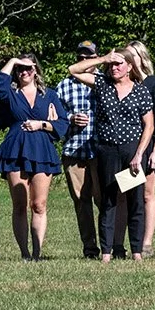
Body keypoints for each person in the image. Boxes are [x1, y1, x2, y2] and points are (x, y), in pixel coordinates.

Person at [68, 47, 155, 261]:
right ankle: (106, 252)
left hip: (132, 151)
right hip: (107, 151)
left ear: (129, 67)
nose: (114, 68)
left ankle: (136, 251)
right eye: (111, 65)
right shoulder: (102, 85)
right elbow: (74, 70)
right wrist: (104, 58)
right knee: (108, 201)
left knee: (135, 200)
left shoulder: (140, 90)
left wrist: (138, 155)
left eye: (119, 64)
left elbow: (149, 125)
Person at [0, 54, 67, 260]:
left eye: (29, 68)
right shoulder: (11, 94)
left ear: (36, 71)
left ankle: (37, 252)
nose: (24, 72)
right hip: (15, 150)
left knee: (39, 204)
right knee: (20, 204)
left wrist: (41, 124)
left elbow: (62, 124)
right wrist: (14, 61)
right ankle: (24, 253)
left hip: (42, 150)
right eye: (20, 69)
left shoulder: (49, 95)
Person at [114, 40, 155, 256]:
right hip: (126, 147)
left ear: (141, 59)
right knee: (124, 194)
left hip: (148, 149)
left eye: (133, 56)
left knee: (146, 194)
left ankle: (146, 243)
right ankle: (118, 243)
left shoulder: (153, 84)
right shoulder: (121, 84)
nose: (129, 60)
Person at [55, 40, 102, 258]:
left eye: (89, 57)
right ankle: (90, 248)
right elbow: (55, 116)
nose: (84, 60)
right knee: (81, 202)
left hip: (101, 149)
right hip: (74, 150)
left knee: (104, 199)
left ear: (97, 57)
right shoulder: (65, 85)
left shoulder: (107, 80)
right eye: (81, 57)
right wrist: (71, 118)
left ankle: (110, 245)